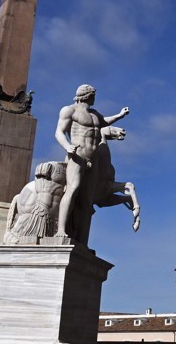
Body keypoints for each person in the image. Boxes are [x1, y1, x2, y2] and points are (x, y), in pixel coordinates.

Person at [54, 85, 130, 240]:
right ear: (87, 95)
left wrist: (120, 115)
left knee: (87, 200)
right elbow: (59, 132)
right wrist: (67, 146)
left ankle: (82, 240)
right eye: (93, 95)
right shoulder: (69, 110)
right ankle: (60, 230)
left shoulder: (94, 114)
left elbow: (104, 122)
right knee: (73, 189)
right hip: (78, 155)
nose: (95, 98)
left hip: (93, 159)